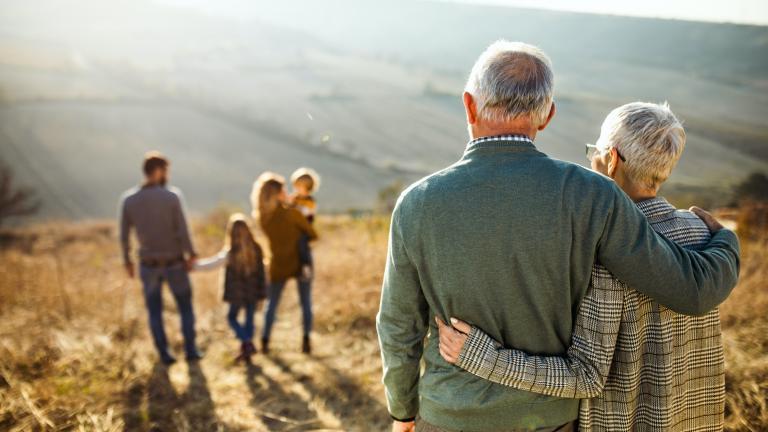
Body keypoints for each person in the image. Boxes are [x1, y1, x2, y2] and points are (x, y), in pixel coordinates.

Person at [376, 41, 740, 432]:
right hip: (548, 419)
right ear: (547, 115)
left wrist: (402, 410)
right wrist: (725, 242)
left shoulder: (417, 203)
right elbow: (686, 287)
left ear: (468, 104)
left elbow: (399, 326)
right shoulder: (592, 194)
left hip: (448, 414)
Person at [437, 102, 729, 431]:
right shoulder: (703, 232)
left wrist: (482, 357)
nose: (591, 160)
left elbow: (587, 377)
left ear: (612, 160)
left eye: (595, 151)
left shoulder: (604, 251)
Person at [119, 151, 202, 365]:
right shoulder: (172, 196)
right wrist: (191, 254)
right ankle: (191, 350)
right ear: (158, 171)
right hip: (174, 263)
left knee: (154, 311)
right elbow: (182, 230)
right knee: (185, 307)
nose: (167, 175)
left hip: (148, 265)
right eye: (166, 170)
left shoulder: (129, 200)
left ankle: (164, 353)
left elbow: (124, 235)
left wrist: (127, 261)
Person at [251, 172, 319, 355]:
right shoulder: (292, 213)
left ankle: (264, 341)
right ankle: (306, 341)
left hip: (278, 262)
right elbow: (312, 233)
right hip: (301, 261)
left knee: (271, 303)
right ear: (278, 193)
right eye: (283, 189)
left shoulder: (263, 218)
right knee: (305, 302)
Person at [195, 214, 267, 363]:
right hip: (253, 292)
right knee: (249, 320)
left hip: (236, 294)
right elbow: (262, 273)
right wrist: (262, 292)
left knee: (231, 318)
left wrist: (193, 266)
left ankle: (246, 344)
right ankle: (247, 346)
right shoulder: (257, 249)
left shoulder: (230, 252)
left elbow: (211, 264)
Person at [289, 167, 321, 281]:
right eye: (296, 186)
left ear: (308, 188)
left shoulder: (310, 201)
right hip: (293, 229)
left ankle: (305, 267)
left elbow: (307, 215)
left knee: (302, 245)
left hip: (304, 230)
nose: (297, 189)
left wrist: (295, 208)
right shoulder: (294, 198)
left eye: (299, 186)